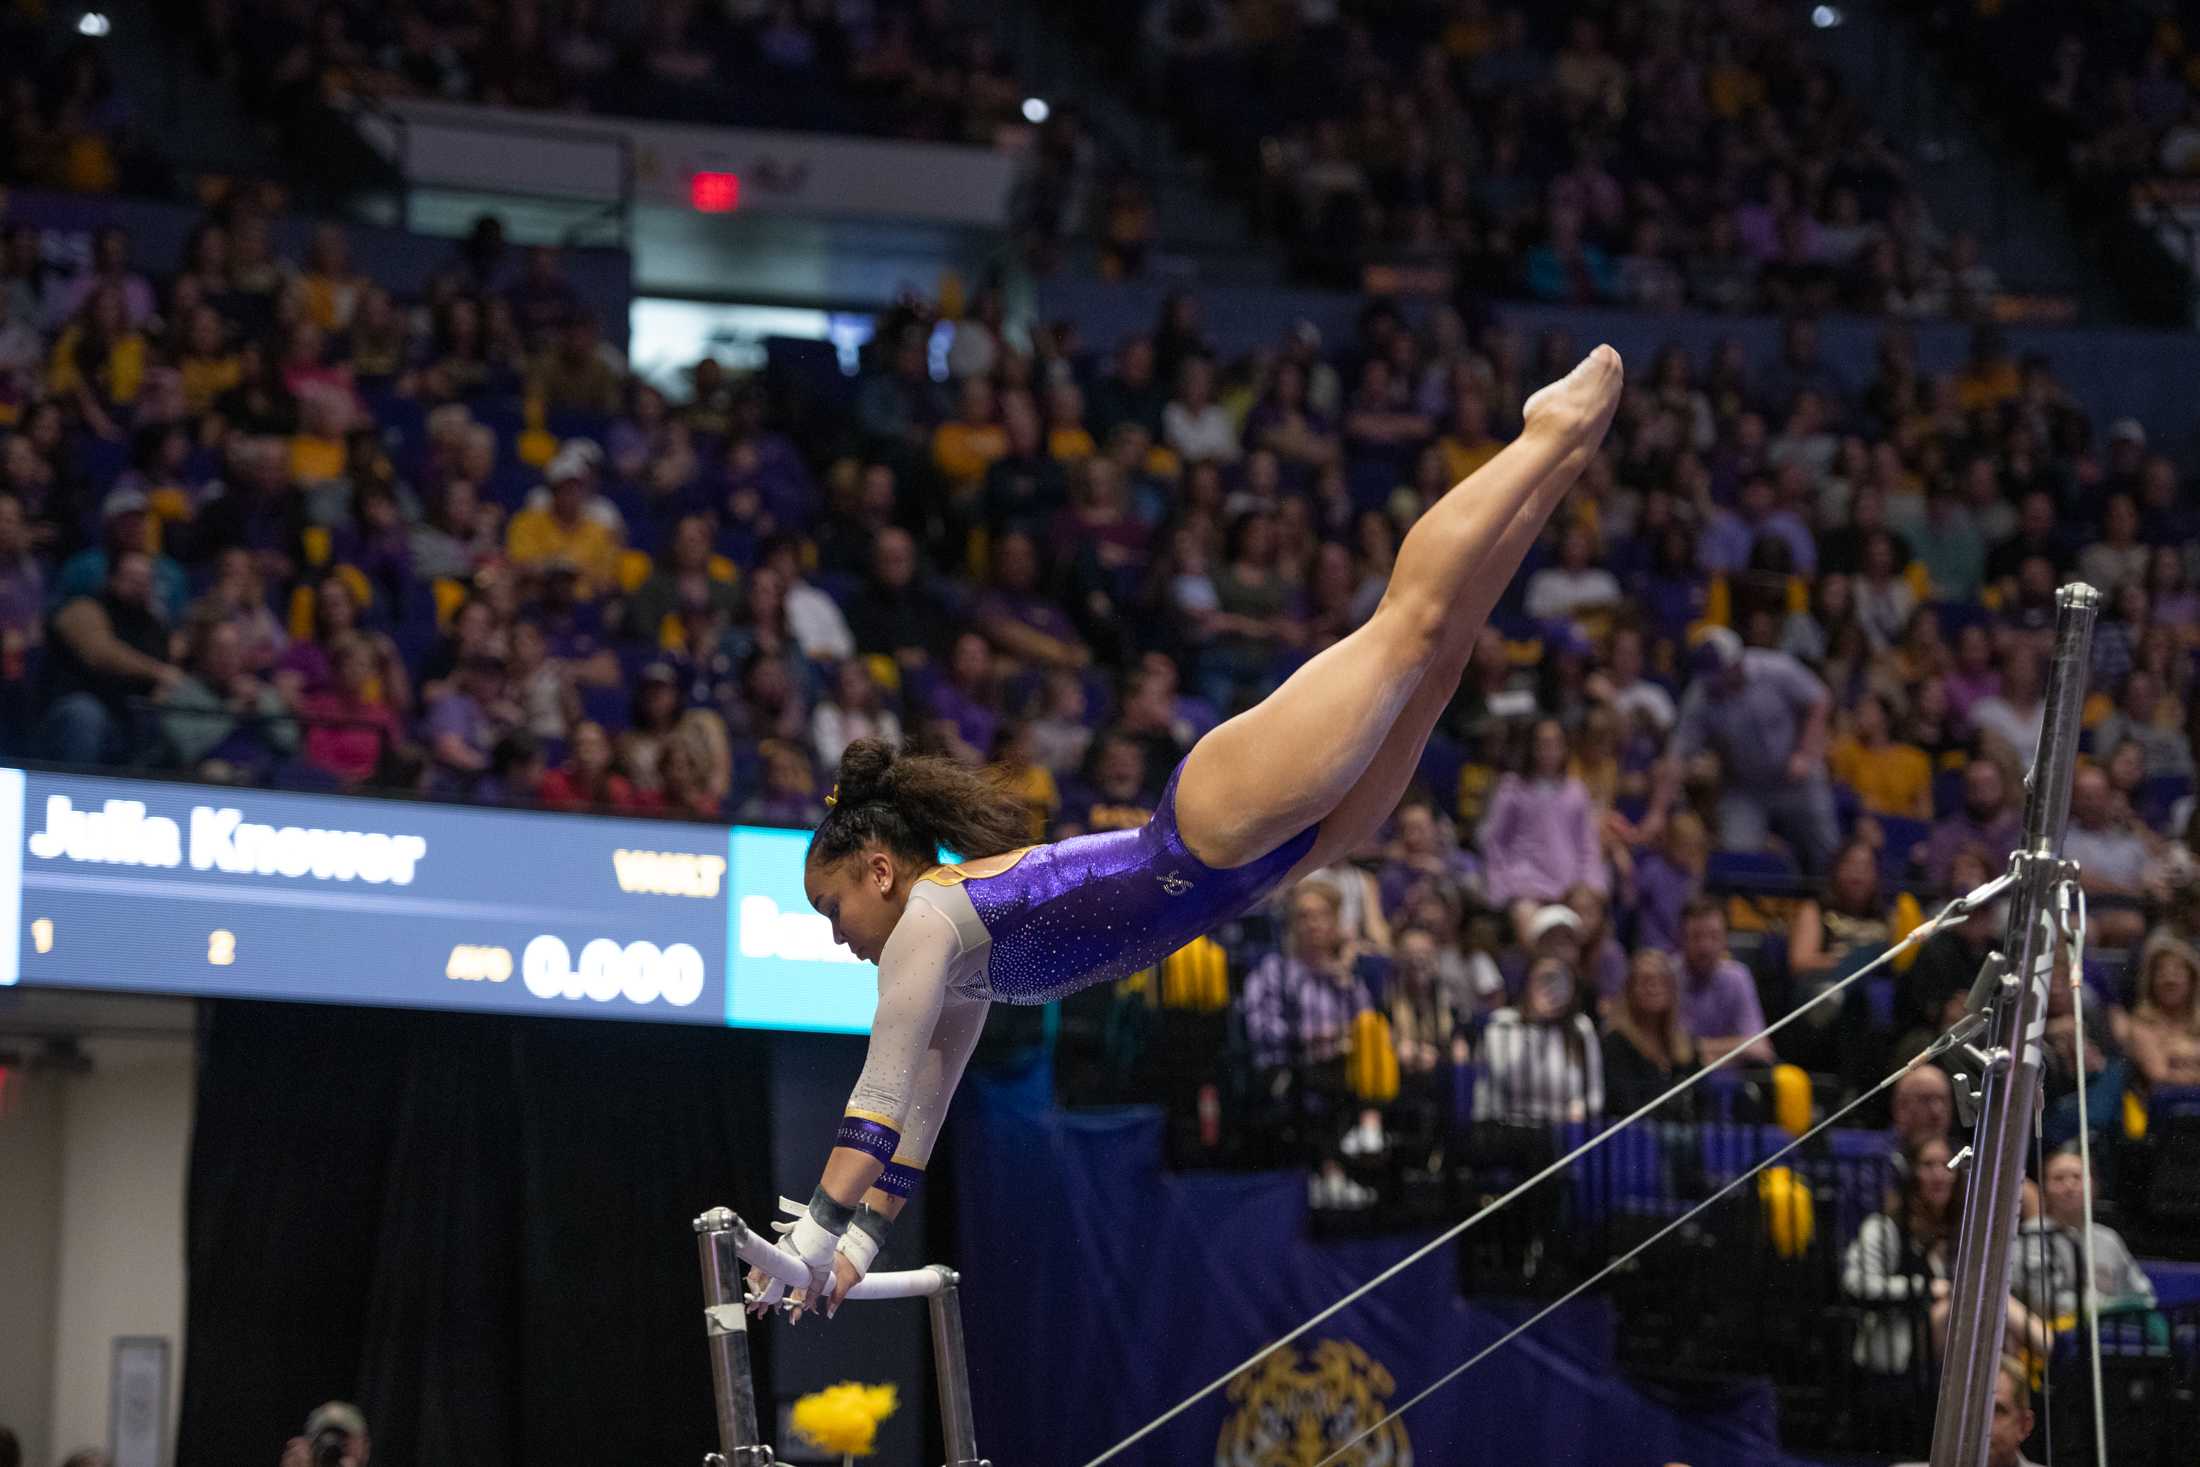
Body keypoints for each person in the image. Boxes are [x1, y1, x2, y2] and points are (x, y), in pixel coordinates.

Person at [755, 347, 1628, 1314]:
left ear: (877, 868)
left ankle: (1543, 429)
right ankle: (1559, 463)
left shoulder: (925, 922)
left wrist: (810, 1229)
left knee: (1409, 628)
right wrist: (851, 1248)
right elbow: (916, 1116)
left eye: (830, 905)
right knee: (1447, 657)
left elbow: (873, 1098)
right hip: (1273, 864)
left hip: (1206, 831)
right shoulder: (951, 967)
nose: (834, 932)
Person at [1647, 625, 1840, 875]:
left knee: (1826, 844)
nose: (1715, 680)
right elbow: (1677, 755)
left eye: (1720, 672)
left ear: (1736, 662)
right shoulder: (1702, 692)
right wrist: (1658, 812)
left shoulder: (1775, 669)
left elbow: (1819, 699)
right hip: (1746, 787)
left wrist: (1805, 753)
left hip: (1794, 778)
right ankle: (1746, 910)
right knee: (1738, 854)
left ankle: (1832, 906)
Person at [2013, 1146, 2158, 1328]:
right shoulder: (2031, 1237)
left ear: (2093, 1186)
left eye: (2077, 1177)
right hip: (2053, 1344)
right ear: (2044, 1190)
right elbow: (2044, 1301)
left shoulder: (2108, 1239)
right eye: (2058, 1179)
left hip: (2110, 1339)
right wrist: (2110, 1307)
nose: (2069, 1185)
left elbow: (2142, 1297)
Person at [1476, 955, 1604, 1123]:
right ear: (1528, 984)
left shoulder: (1580, 1027)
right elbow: (1496, 1080)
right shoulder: (1502, 1024)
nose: (1552, 988)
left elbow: (1594, 1095)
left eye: (1559, 981)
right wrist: (1534, 1024)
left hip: (1564, 1129)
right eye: (1544, 980)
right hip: (1510, 1130)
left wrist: (1580, 1109)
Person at [1602, 947, 1699, 1115]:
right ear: (1630, 990)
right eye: (1646, 981)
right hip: (1634, 1137)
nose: (1654, 987)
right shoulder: (1615, 1043)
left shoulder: (1686, 1044)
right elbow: (1625, 1104)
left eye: (1662, 981)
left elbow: (1700, 1099)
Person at [1676, 897, 1774, 1064]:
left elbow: (1760, 1048)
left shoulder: (1738, 976)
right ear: (1681, 938)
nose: (1705, 946)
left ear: (1726, 939)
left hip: (1730, 1078)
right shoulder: (1668, 976)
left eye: (1714, 936)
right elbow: (1670, 1050)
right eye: (1696, 936)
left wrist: (1697, 1047)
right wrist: (1730, 1049)